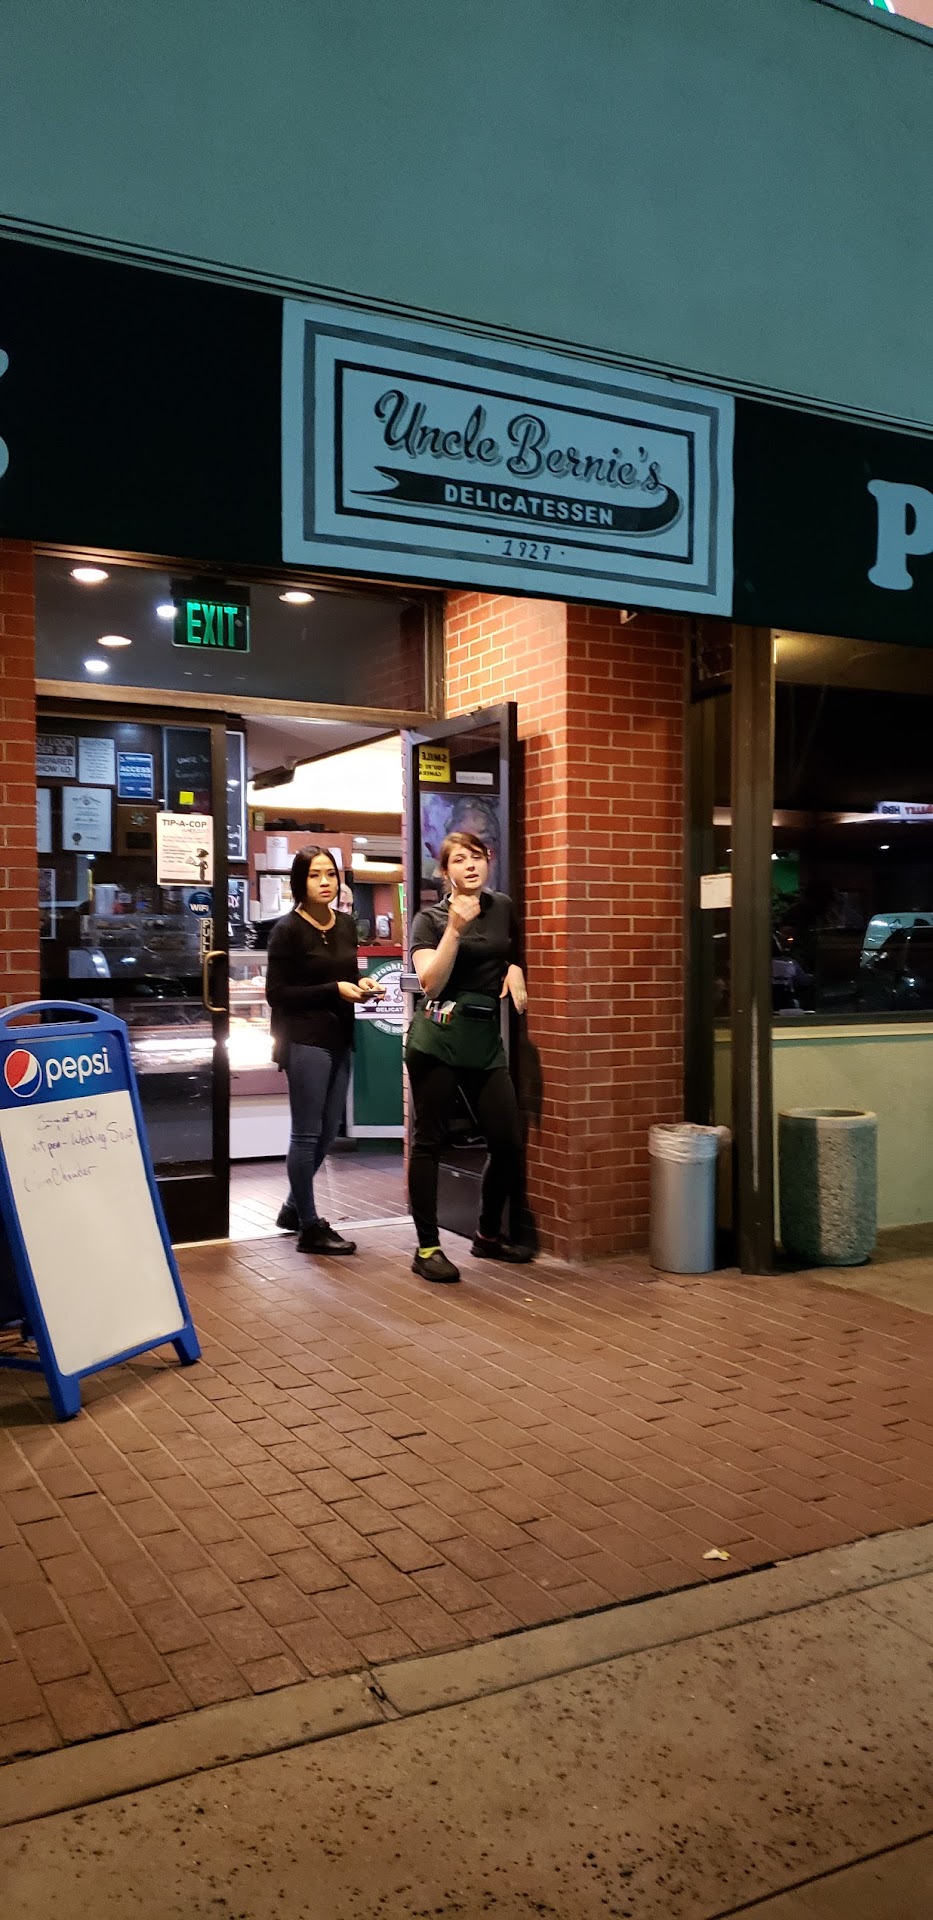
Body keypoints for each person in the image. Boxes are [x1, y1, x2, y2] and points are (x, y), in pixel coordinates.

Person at [406, 829, 532, 1284]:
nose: (471, 865)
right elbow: (430, 984)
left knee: (507, 1142)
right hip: (437, 1037)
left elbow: (511, 951)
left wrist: (514, 970)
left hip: (483, 1039)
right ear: (445, 872)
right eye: (459, 860)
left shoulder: (503, 907)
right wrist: (455, 931)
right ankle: (427, 1248)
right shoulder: (429, 919)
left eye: (476, 856)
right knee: (429, 1141)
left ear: (488, 860)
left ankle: (487, 1235)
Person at [266, 845, 384, 1257]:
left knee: (330, 1129)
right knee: (306, 1133)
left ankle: (293, 1208)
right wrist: (334, 989)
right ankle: (310, 1227)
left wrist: (363, 986)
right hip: (304, 1038)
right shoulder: (287, 930)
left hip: (340, 1035)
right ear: (300, 882)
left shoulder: (347, 924)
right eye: (315, 875)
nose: (324, 882)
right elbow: (277, 993)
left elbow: (347, 975)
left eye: (330, 874)